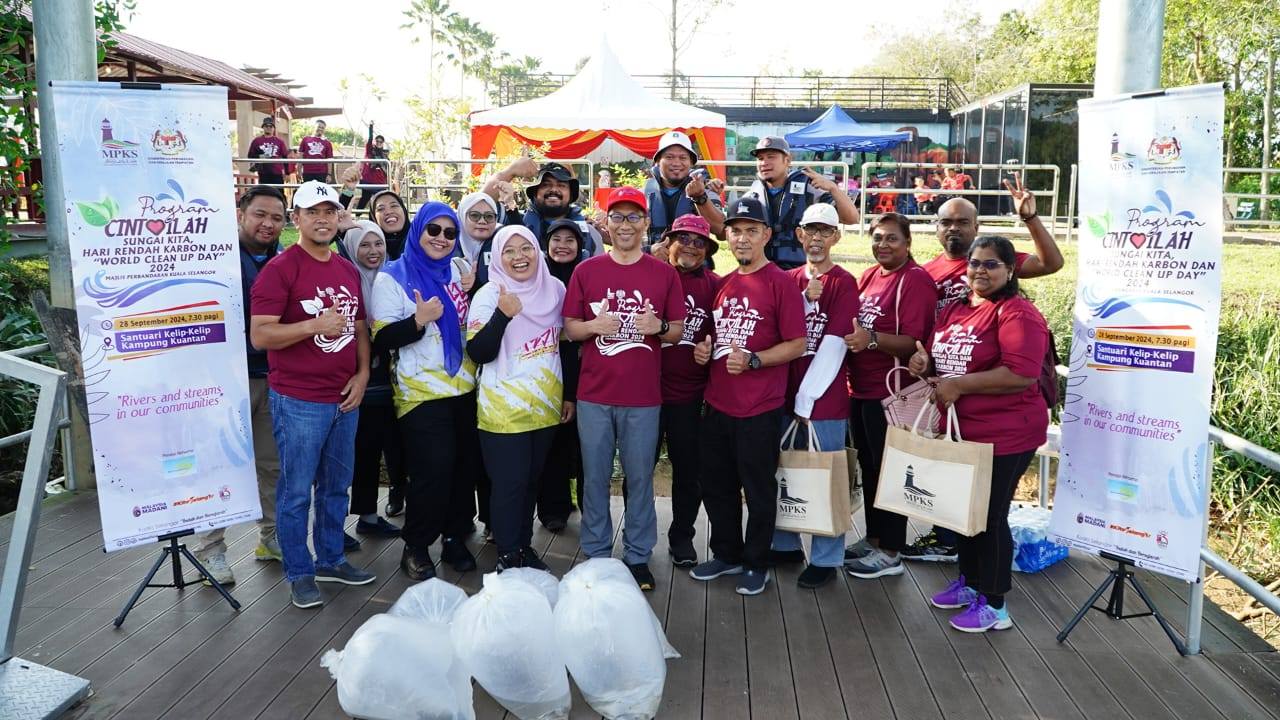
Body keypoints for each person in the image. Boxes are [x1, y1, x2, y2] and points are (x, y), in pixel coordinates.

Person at [904, 176, 1065, 564]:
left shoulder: (997, 267)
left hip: (995, 411)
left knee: (986, 512)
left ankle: (986, 588)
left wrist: (1030, 219)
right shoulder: (928, 273)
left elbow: (1051, 263)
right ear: (936, 227)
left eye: (963, 222)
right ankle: (954, 553)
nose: (954, 228)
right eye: (947, 221)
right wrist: (925, 361)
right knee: (958, 498)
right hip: (951, 401)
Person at [908, 235, 1049, 633]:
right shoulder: (955, 308)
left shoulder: (1017, 313)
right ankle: (971, 583)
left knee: (989, 516)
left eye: (991, 264)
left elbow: (1020, 374)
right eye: (974, 263)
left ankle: (997, 605)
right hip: (962, 433)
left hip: (1006, 434)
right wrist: (923, 363)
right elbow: (940, 361)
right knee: (962, 511)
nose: (980, 271)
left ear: (1010, 270)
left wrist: (960, 385)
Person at [249, 180, 375, 609]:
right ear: (296, 219)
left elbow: (359, 327)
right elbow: (260, 334)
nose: (322, 219)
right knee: (297, 490)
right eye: (312, 212)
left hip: (344, 396)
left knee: (337, 486)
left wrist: (361, 375)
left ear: (339, 218)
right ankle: (299, 572)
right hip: (300, 399)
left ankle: (332, 559)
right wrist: (311, 326)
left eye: (330, 211)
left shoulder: (345, 268)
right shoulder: (281, 269)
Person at [563, 187, 686, 592]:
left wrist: (659, 329)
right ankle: (597, 552)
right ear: (606, 223)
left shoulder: (663, 273)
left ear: (645, 223)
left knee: (639, 478)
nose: (625, 225)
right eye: (618, 217)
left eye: (634, 217)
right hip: (595, 395)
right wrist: (593, 327)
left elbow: (677, 331)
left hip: (643, 397)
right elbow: (569, 329)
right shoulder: (587, 271)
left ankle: (637, 555)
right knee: (594, 477)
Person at [689, 197, 806, 596]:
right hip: (718, 403)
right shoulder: (723, 284)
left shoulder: (782, 284)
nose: (742, 238)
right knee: (717, 484)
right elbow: (714, 338)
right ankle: (727, 553)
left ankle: (757, 562)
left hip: (760, 407)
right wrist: (703, 353)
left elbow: (797, 344)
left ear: (766, 235)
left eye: (751, 230)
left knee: (757, 488)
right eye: (736, 230)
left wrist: (755, 360)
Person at [371, 202, 480, 581]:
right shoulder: (393, 277)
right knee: (433, 469)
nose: (441, 239)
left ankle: (453, 537)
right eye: (433, 230)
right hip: (420, 393)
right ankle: (416, 546)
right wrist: (418, 321)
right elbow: (382, 337)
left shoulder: (459, 270)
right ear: (418, 231)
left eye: (450, 233)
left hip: (464, 387)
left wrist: (475, 282)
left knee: (464, 468)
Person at [190, 185, 288, 585]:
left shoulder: (285, 260)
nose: (268, 224)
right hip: (224, 381)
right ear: (241, 214)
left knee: (274, 465)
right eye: (260, 215)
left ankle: (273, 538)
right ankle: (210, 551)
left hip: (275, 378)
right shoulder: (218, 260)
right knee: (218, 465)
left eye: (277, 218)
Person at [467, 225, 569, 570]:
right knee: (509, 486)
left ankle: (523, 546)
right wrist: (503, 314)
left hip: (545, 406)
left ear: (537, 251)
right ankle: (508, 555)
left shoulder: (555, 288)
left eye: (524, 248)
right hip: (503, 410)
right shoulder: (490, 293)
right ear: (497, 257)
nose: (518, 257)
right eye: (508, 251)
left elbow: (565, 342)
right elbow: (479, 351)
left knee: (530, 483)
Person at [841, 212, 936, 581]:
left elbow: (917, 339)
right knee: (870, 468)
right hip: (861, 388)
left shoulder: (914, 280)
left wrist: (873, 340)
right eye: (878, 237)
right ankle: (875, 537)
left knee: (892, 472)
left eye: (892, 238)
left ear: (908, 243)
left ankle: (892, 550)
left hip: (891, 393)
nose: (883, 244)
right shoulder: (869, 276)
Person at [768, 203, 859, 589]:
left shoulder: (844, 282)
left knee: (826, 478)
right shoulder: (786, 279)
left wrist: (806, 399)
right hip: (782, 393)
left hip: (824, 398)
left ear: (836, 236)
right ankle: (785, 543)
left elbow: (836, 343)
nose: (817, 238)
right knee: (785, 473)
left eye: (826, 231)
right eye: (811, 230)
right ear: (799, 235)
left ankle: (826, 556)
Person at [655, 214, 719, 567]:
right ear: (669, 242)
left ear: (708, 249)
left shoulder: (715, 285)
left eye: (699, 242)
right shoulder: (650, 275)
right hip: (646, 392)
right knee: (638, 469)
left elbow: (727, 334)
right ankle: (639, 535)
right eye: (684, 239)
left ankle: (682, 537)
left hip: (690, 394)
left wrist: (709, 352)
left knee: (687, 471)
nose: (691, 247)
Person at [340, 220, 403, 547]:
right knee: (340, 455)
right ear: (351, 247)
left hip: (384, 382)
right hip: (347, 379)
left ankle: (367, 516)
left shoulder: (392, 278)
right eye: (364, 245)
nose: (373, 251)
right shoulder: (343, 277)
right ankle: (333, 524)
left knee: (371, 448)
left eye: (378, 244)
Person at [536, 219, 587, 531]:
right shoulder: (537, 277)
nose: (563, 245)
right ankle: (553, 509)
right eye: (557, 239)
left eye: (571, 239)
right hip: (545, 366)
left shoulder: (589, 275)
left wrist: (572, 334)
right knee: (552, 443)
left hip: (584, 367)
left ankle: (589, 508)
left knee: (585, 447)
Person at [740, 136, 859, 270]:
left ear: (787, 160)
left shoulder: (808, 188)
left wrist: (833, 188)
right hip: (762, 271)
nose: (764, 163)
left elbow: (851, 218)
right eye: (760, 159)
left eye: (771, 157)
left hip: (799, 272)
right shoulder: (753, 194)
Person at [482, 159, 600, 254]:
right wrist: (510, 171)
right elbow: (479, 203)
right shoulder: (514, 219)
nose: (554, 189)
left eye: (561, 185)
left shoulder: (589, 231)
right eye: (546, 185)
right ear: (534, 193)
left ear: (571, 195)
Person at [641, 130, 725, 246]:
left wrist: (700, 198)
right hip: (654, 260)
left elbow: (721, 232)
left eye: (683, 158)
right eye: (669, 157)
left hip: (693, 260)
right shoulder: (644, 193)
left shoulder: (706, 190)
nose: (676, 163)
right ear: (658, 161)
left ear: (691, 162)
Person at [456, 191, 502, 298]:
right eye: (474, 215)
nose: (482, 221)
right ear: (463, 216)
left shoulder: (505, 241)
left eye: (489, 216)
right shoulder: (446, 244)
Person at [247, 117, 288, 187]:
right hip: (263, 173)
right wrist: (260, 156)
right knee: (264, 193)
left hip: (277, 173)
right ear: (263, 127)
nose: (268, 128)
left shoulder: (280, 141)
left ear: (273, 128)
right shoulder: (256, 141)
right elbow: (250, 155)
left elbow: (285, 157)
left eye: (271, 126)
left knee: (278, 194)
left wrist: (287, 173)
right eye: (266, 126)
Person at [358, 123, 389, 211]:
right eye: (377, 141)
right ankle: (357, 215)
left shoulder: (385, 154)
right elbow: (370, 139)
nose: (379, 143)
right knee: (364, 200)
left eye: (381, 141)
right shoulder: (370, 150)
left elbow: (386, 169)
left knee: (378, 203)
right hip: (368, 181)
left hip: (380, 183)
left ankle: (374, 219)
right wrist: (371, 127)